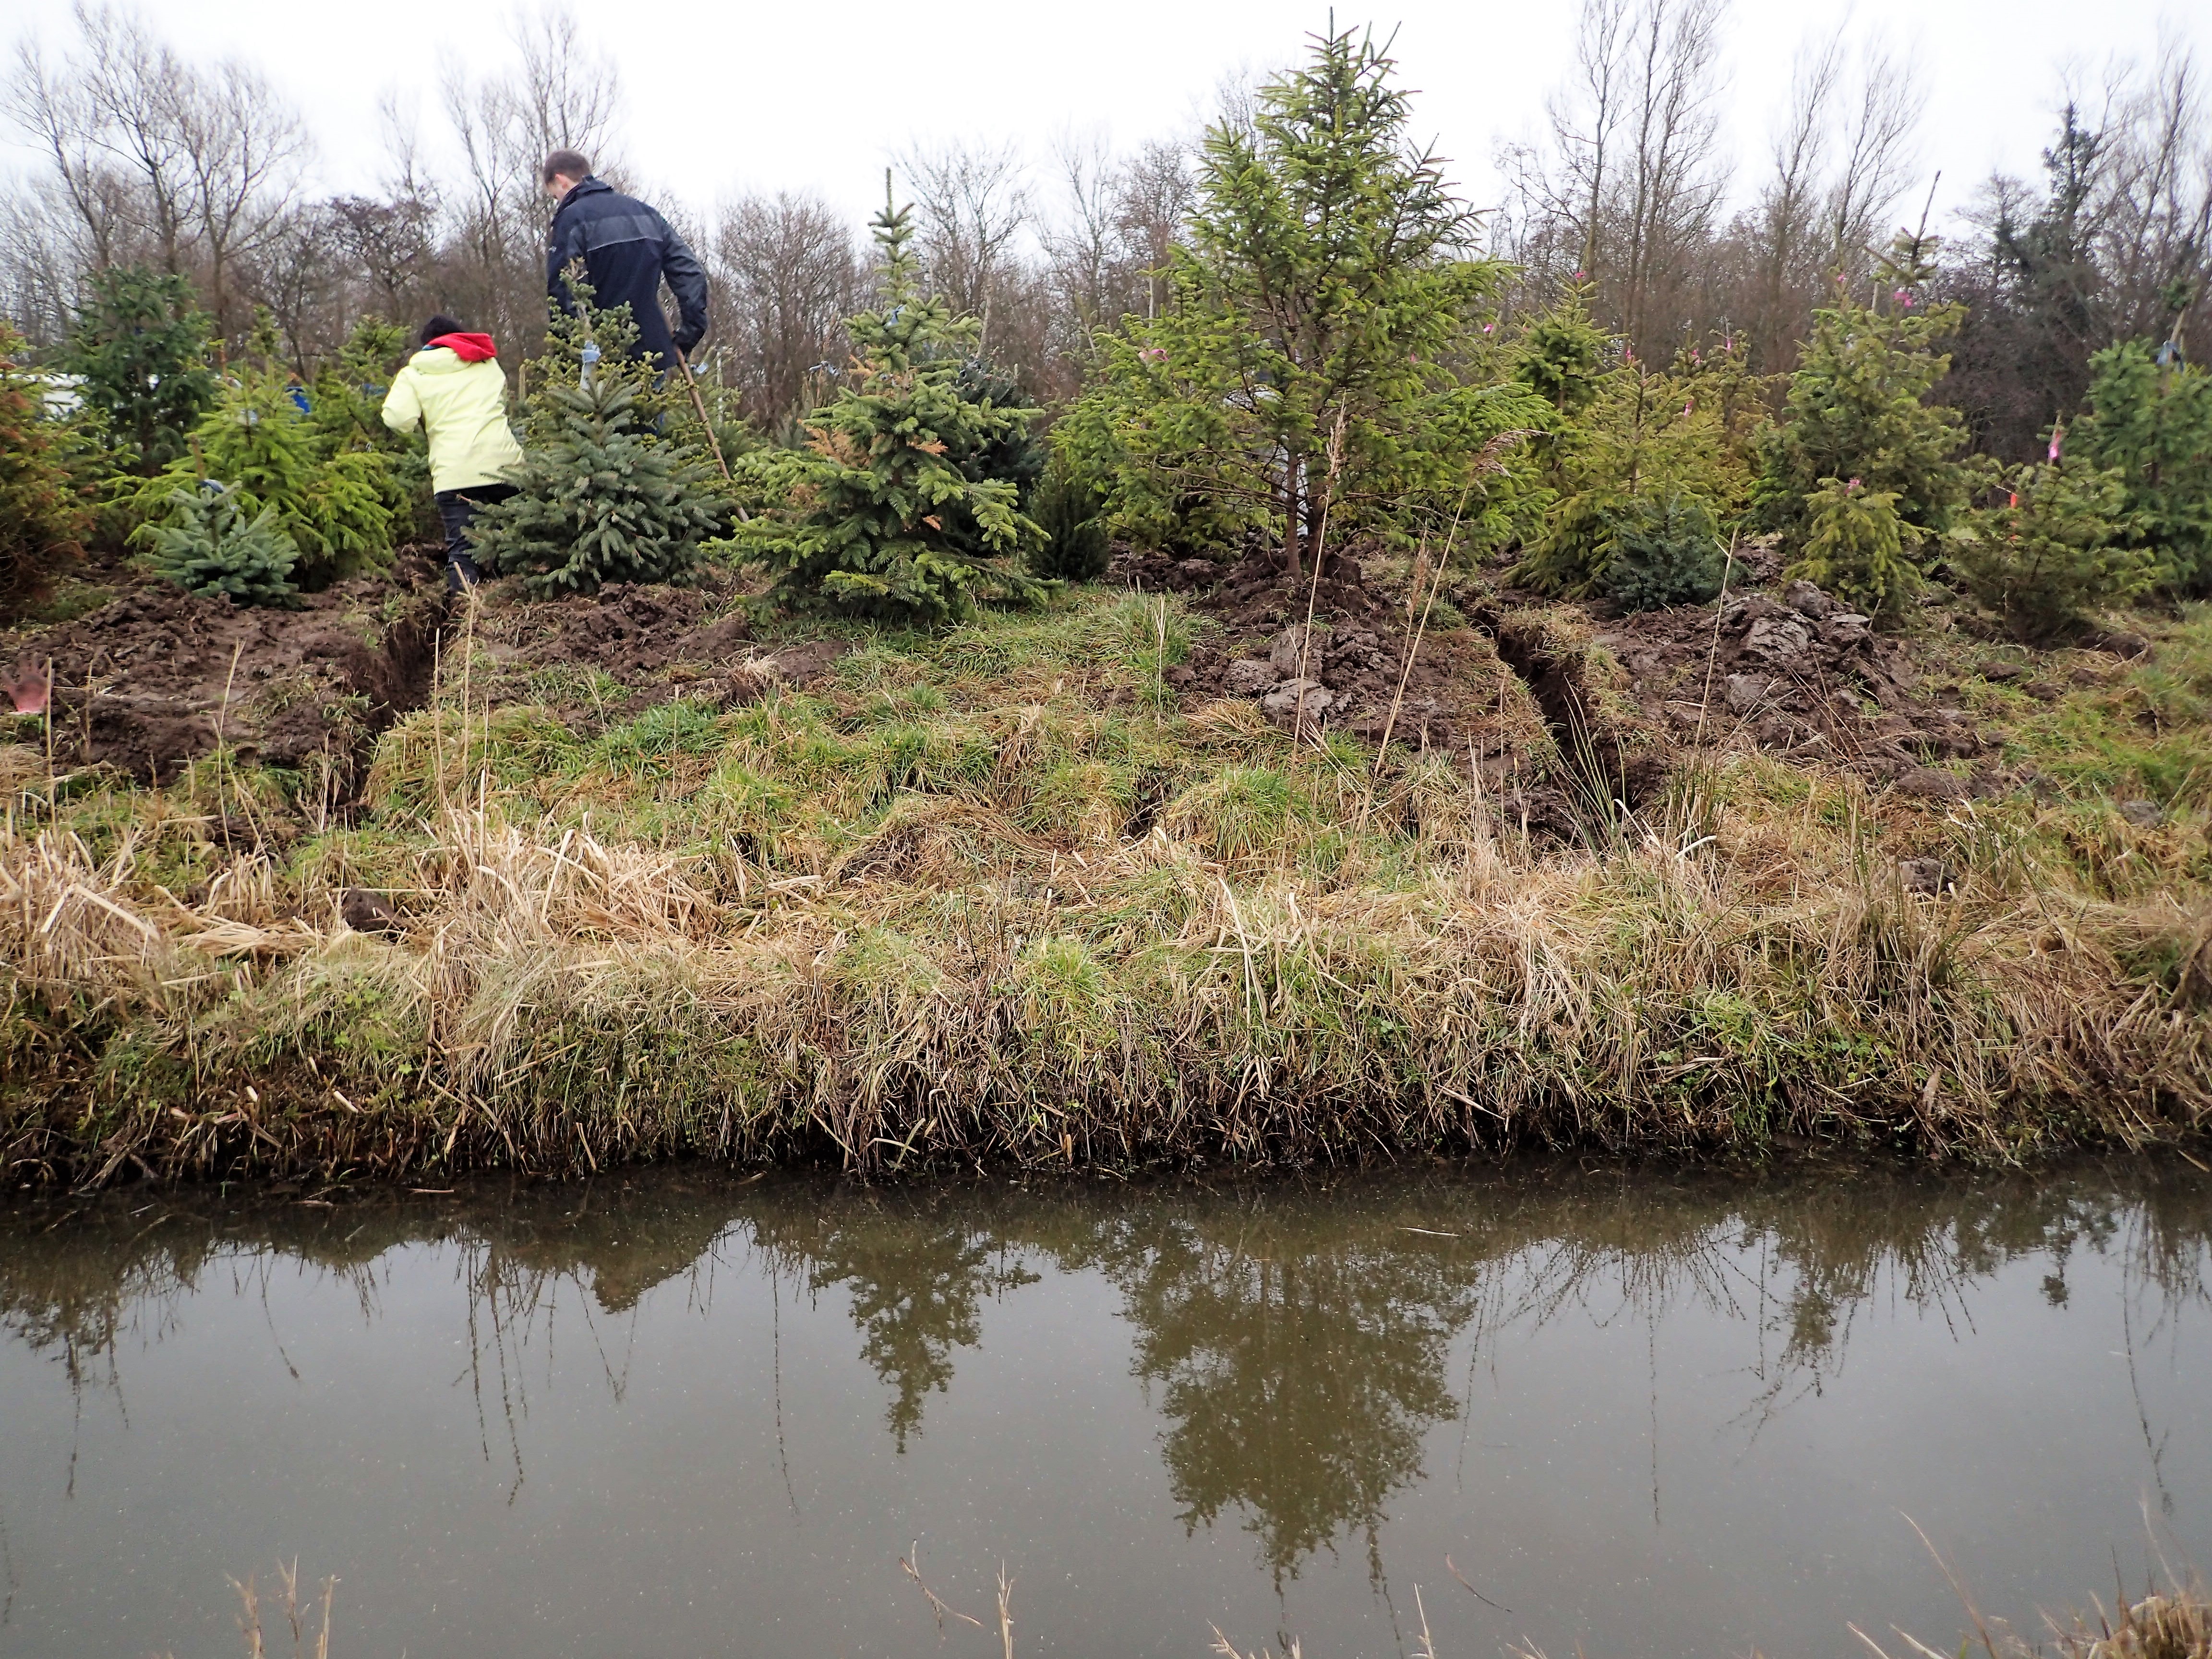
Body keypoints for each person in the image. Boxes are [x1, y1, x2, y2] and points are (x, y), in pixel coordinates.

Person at [380, 314, 526, 592]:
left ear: (427, 346)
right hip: (506, 467)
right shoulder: (488, 364)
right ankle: (515, 613)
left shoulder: (414, 374)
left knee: (462, 551)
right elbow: (502, 401)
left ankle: (465, 621)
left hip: (455, 473)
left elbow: (399, 419)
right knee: (512, 545)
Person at [541, 148, 709, 372]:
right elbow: (690, 273)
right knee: (654, 407)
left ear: (561, 181)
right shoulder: (646, 213)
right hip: (653, 352)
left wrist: (567, 358)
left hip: (599, 360)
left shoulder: (571, 220)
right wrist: (689, 333)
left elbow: (563, 292)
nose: (557, 202)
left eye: (554, 196)